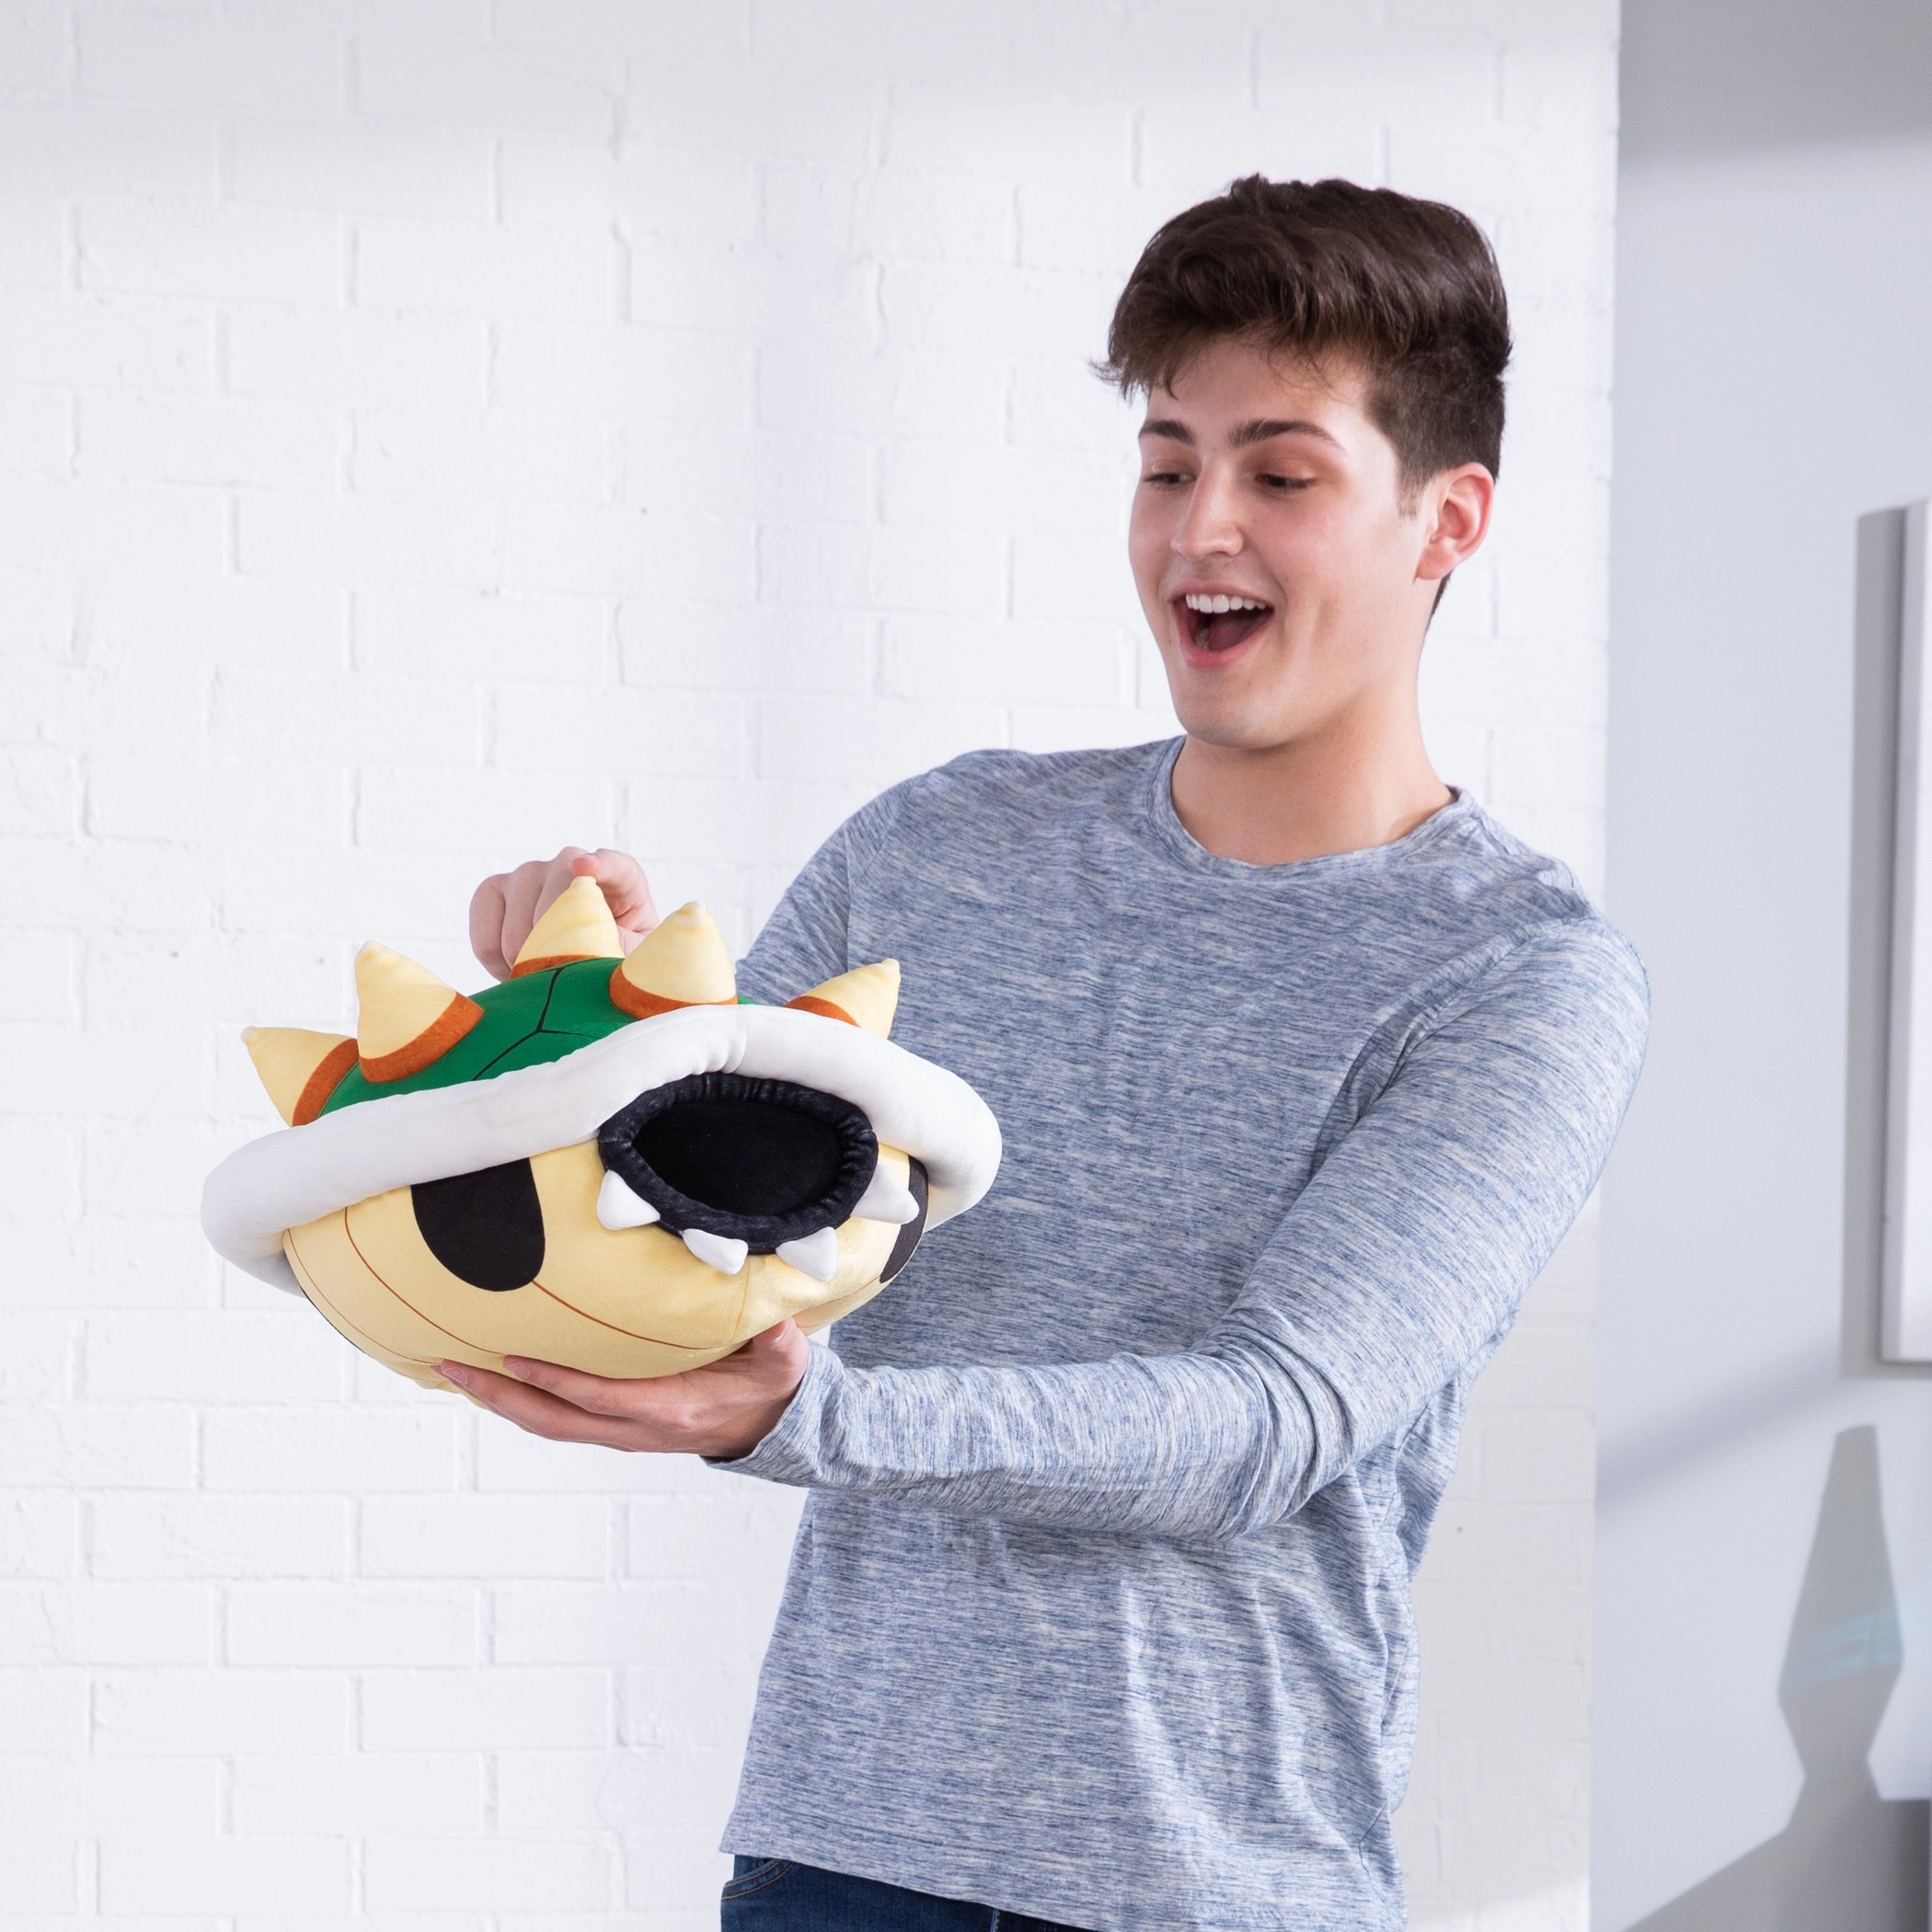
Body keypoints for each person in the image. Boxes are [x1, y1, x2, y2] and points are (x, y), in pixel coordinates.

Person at [456, 176, 1649, 1932]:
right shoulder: (939, 848)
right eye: (1168, 467)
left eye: (1282, 476)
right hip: (841, 1859)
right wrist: (581, 996)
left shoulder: (1519, 978)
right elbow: (685, 1197)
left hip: (1211, 1891)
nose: (1201, 532)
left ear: (1445, 519)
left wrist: (814, 1421)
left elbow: (1272, 1420)